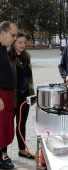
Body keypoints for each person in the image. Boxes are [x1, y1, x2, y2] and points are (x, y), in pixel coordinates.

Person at [2, 32, 35, 161]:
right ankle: (4, 153)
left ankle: (22, 150)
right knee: (6, 125)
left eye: (24, 42)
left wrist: (32, 95)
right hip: (11, 97)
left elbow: (29, 78)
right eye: (19, 42)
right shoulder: (7, 58)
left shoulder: (27, 57)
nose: (22, 44)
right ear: (13, 42)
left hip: (24, 97)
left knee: (21, 125)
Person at [0, 21, 18, 169]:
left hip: (7, 94)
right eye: (12, 35)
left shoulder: (3, 49)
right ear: (3, 33)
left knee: (4, 128)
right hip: (1, 95)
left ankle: (1, 156)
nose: (14, 38)